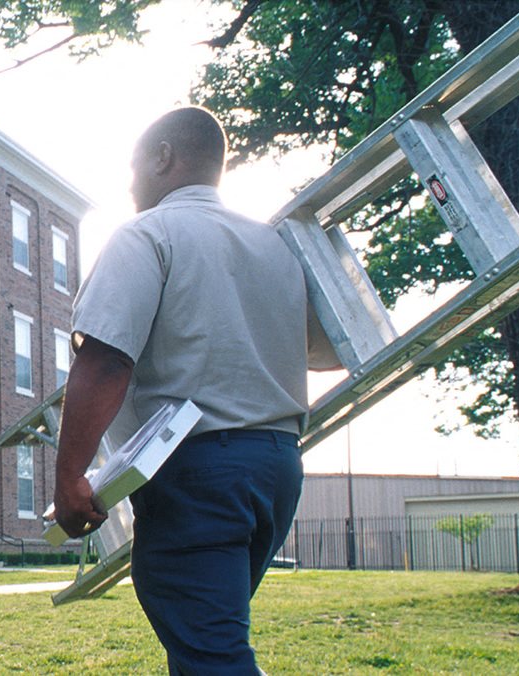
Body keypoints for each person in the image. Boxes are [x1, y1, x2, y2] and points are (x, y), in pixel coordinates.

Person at [54, 107, 338, 674]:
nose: (131, 184)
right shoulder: (275, 246)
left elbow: (106, 360)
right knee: (203, 637)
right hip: (277, 466)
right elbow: (324, 351)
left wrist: (69, 480)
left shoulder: (148, 233)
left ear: (163, 158)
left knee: (213, 654)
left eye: (134, 168)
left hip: (196, 471)